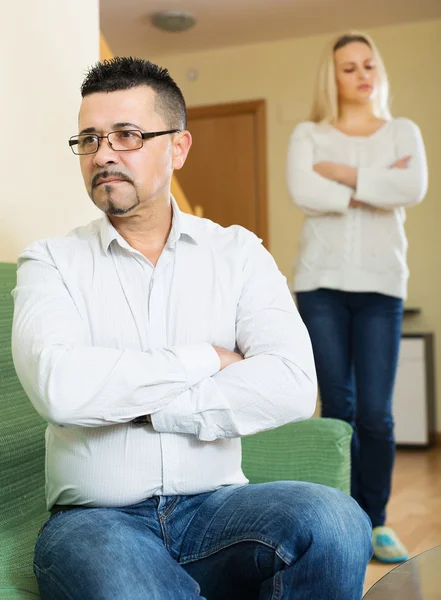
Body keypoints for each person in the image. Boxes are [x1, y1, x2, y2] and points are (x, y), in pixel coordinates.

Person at [12, 57, 372, 600]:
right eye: (89, 139)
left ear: (178, 147)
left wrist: (142, 406)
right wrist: (207, 357)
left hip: (217, 510)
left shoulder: (238, 253)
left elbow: (295, 384)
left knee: (336, 520)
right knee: (123, 580)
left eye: (126, 135)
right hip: (95, 521)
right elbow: (61, 390)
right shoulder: (50, 262)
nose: (103, 154)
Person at [286, 32, 428, 564]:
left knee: (376, 413)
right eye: (349, 67)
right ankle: (342, 518)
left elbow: (411, 188)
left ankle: (377, 520)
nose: (362, 74)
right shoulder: (308, 133)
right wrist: (374, 184)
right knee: (338, 407)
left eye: (369, 64)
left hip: (381, 286)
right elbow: (303, 192)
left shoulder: (403, 132)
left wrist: (341, 175)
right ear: (334, 76)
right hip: (320, 284)